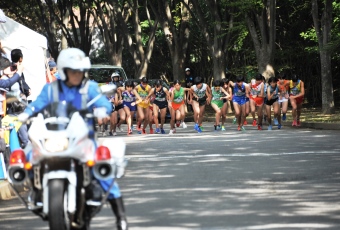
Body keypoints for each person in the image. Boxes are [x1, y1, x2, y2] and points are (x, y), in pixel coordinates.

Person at [18, 48, 128, 230]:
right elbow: (38, 104)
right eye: (73, 71)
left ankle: (121, 217)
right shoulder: (51, 88)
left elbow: (101, 102)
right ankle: (35, 191)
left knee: (102, 167)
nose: (78, 74)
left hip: (83, 137)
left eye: (80, 71)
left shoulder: (89, 87)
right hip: (55, 135)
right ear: (63, 70)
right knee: (30, 156)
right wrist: (26, 113)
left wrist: (102, 110)